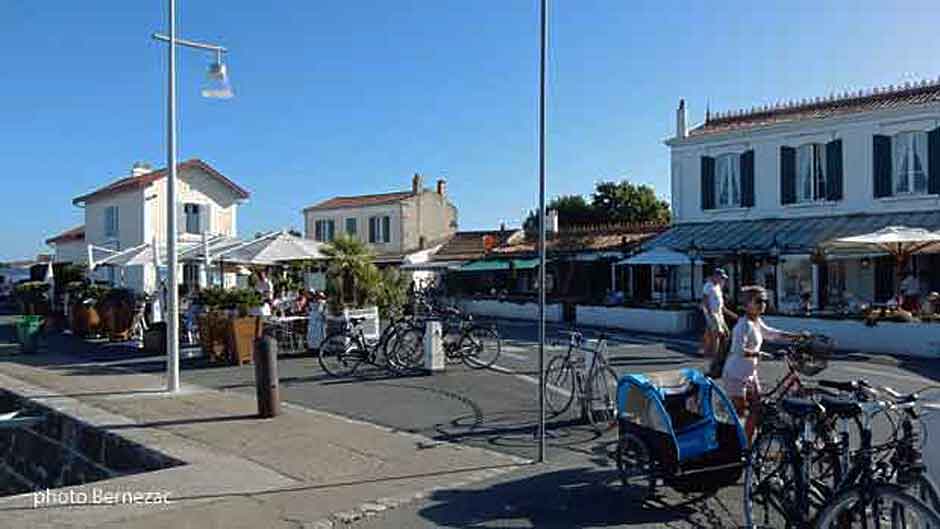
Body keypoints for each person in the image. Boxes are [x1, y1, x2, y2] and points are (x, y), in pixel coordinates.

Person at [723, 285, 800, 442]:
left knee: (756, 411)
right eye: (758, 300)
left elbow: (771, 334)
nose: (763, 304)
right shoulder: (743, 325)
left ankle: (748, 445)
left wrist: (796, 336)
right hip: (736, 375)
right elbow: (737, 350)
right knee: (740, 413)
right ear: (747, 304)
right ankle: (735, 446)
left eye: (765, 300)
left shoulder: (756, 322)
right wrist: (758, 354)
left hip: (750, 374)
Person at [701, 268, 735, 373]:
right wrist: (710, 314)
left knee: (726, 334)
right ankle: (715, 357)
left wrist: (732, 314)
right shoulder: (708, 286)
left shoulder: (718, 287)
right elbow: (705, 301)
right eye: (721, 277)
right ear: (715, 276)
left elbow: (721, 305)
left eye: (723, 278)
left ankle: (714, 353)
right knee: (717, 334)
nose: (722, 279)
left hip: (719, 314)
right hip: (713, 313)